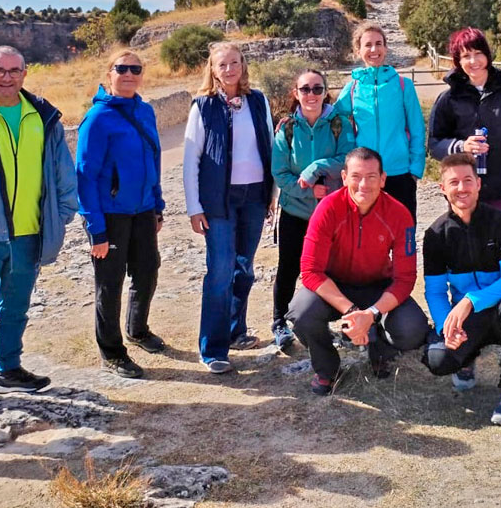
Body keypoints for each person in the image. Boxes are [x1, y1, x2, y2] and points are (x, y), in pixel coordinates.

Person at [0, 45, 78, 420]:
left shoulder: (42, 116)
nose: (6, 77)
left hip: (29, 233)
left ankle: (9, 366)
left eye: (14, 70)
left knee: (16, 304)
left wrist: (63, 212)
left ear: (24, 73)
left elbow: (61, 170)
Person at [289, 147, 428, 395]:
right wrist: (353, 312)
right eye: (356, 176)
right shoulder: (327, 208)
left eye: (372, 177)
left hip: (377, 288)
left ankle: (381, 351)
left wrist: (372, 314)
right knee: (301, 312)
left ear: (383, 179)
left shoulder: (399, 214)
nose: (363, 184)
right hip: (335, 287)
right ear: (344, 178)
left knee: (413, 328)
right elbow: (310, 271)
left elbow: (405, 278)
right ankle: (327, 369)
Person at [421, 153, 501, 427]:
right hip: (466, 320)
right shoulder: (436, 234)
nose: (462, 188)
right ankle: (466, 359)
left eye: (468, 180)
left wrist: (471, 300)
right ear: (442, 188)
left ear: (478, 184)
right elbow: (434, 291)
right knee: (437, 359)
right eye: (454, 182)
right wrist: (447, 326)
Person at [183, 41, 274, 373]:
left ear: (243, 65)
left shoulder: (258, 101)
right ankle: (214, 349)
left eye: (235, 62)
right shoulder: (202, 106)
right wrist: (194, 207)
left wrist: (272, 195)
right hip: (218, 202)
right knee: (220, 271)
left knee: (244, 268)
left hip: (254, 197)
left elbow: (269, 148)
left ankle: (236, 330)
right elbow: (191, 160)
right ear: (213, 69)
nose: (229, 69)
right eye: (222, 64)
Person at [76, 50, 165, 380]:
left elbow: (152, 162)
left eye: (135, 68)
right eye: (121, 68)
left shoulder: (145, 111)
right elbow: (85, 174)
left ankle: (137, 330)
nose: (129, 73)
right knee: (109, 285)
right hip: (110, 215)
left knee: (147, 271)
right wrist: (95, 230)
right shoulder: (97, 118)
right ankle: (111, 352)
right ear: (109, 74)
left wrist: (157, 205)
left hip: (142, 210)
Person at [270, 68, 356, 350]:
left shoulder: (339, 125)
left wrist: (317, 168)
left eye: (317, 89)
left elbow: (348, 159)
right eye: (305, 89)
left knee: (332, 269)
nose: (311, 95)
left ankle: (334, 323)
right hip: (295, 213)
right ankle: (280, 322)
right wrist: (307, 190)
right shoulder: (287, 129)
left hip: (331, 213)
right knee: (288, 268)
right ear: (295, 93)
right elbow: (279, 173)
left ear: (325, 92)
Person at [427, 27, 501, 217]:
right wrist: (461, 146)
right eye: (466, 56)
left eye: (478, 53)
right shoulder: (449, 98)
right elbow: (434, 144)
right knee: (467, 246)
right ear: (458, 61)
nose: (473, 61)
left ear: (488, 55)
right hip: (464, 192)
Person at [334, 23, 425, 220]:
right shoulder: (352, 88)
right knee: (367, 237)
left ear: (386, 47)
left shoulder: (403, 85)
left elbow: (417, 128)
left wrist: (415, 169)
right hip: (365, 176)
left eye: (378, 44)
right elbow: (333, 120)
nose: (374, 50)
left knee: (404, 234)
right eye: (368, 45)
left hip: (400, 172)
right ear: (358, 51)